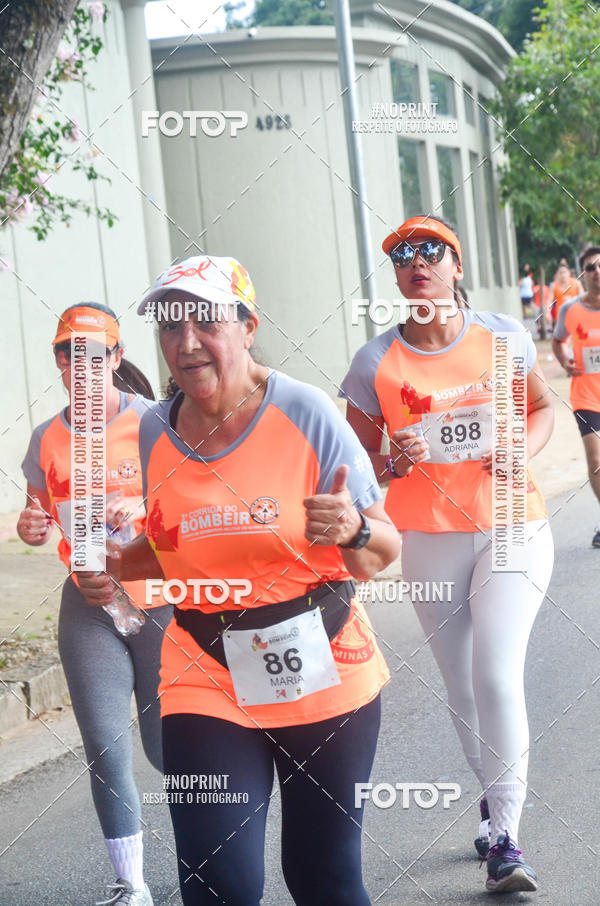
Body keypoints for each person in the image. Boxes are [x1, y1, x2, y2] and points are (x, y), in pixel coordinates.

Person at [77, 256, 401, 906]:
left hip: (325, 667)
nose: (186, 341)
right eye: (170, 326)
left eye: (206, 320)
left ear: (248, 326)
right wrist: (112, 570)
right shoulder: (154, 429)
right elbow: (177, 552)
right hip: (206, 673)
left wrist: (352, 531)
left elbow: (382, 552)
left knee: (324, 880)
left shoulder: (306, 412)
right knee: (216, 882)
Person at [340, 216, 555, 893]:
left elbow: (544, 410)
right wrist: (389, 459)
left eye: (430, 250)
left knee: (495, 672)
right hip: (429, 537)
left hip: (512, 525)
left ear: (455, 265)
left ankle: (507, 841)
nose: (416, 263)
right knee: (462, 689)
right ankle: (493, 800)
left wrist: (523, 450)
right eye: (402, 257)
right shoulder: (377, 363)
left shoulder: (501, 338)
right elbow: (355, 468)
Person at [18, 303, 172, 906]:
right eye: (66, 353)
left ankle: (214, 845)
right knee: (105, 748)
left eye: (92, 352)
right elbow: (40, 516)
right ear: (57, 361)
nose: (78, 364)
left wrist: (143, 510)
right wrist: (33, 526)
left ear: (114, 357)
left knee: (168, 751)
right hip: (88, 605)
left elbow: (192, 500)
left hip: (161, 601)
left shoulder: (158, 421)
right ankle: (131, 885)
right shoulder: (46, 438)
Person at [552, 246, 600, 547]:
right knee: (596, 459)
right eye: (591, 267)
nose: (597, 272)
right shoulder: (570, 310)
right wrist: (565, 362)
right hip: (586, 396)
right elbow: (558, 342)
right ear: (583, 274)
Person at [549, 259, 583, 326]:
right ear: (557, 274)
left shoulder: (576, 283)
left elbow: (583, 298)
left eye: (564, 272)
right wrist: (547, 313)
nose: (562, 274)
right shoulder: (554, 286)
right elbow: (549, 301)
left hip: (575, 316)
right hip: (560, 318)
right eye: (560, 272)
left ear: (569, 272)